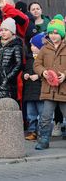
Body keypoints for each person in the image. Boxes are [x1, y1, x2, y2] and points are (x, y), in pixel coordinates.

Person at [34, 14, 66, 150]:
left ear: (61, 34)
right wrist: (43, 72)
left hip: (64, 89)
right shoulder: (44, 48)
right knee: (45, 116)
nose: (53, 36)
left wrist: (65, 75)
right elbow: (36, 64)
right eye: (51, 33)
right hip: (48, 89)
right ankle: (44, 140)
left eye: (56, 33)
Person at [23, 32, 45, 141]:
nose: (32, 48)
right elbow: (25, 70)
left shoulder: (44, 59)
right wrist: (25, 75)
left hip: (40, 90)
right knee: (31, 114)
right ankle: (32, 131)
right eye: (31, 45)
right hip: (30, 90)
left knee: (42, 114)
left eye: (35, 46)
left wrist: (38, 76)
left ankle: (42, 132)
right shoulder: (29, 58)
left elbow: (47, 73)